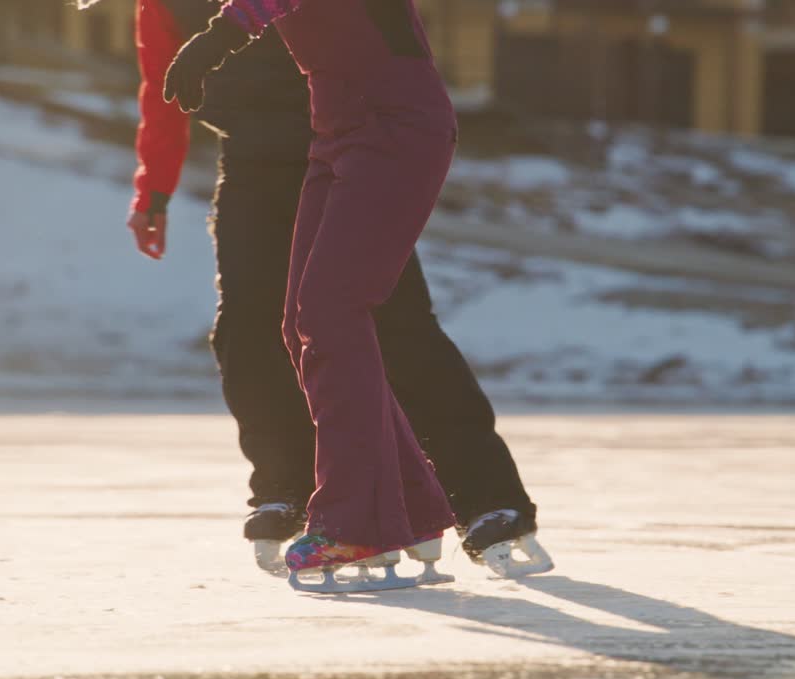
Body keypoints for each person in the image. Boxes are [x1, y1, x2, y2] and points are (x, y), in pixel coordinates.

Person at [112, 0, 552, 585]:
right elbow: (162, 84)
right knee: (266, 328)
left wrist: (222, 33)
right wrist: (154, 189)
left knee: (381, 324)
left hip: (374, 132)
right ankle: (312, 493)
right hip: (289, 146)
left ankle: (474, 498)